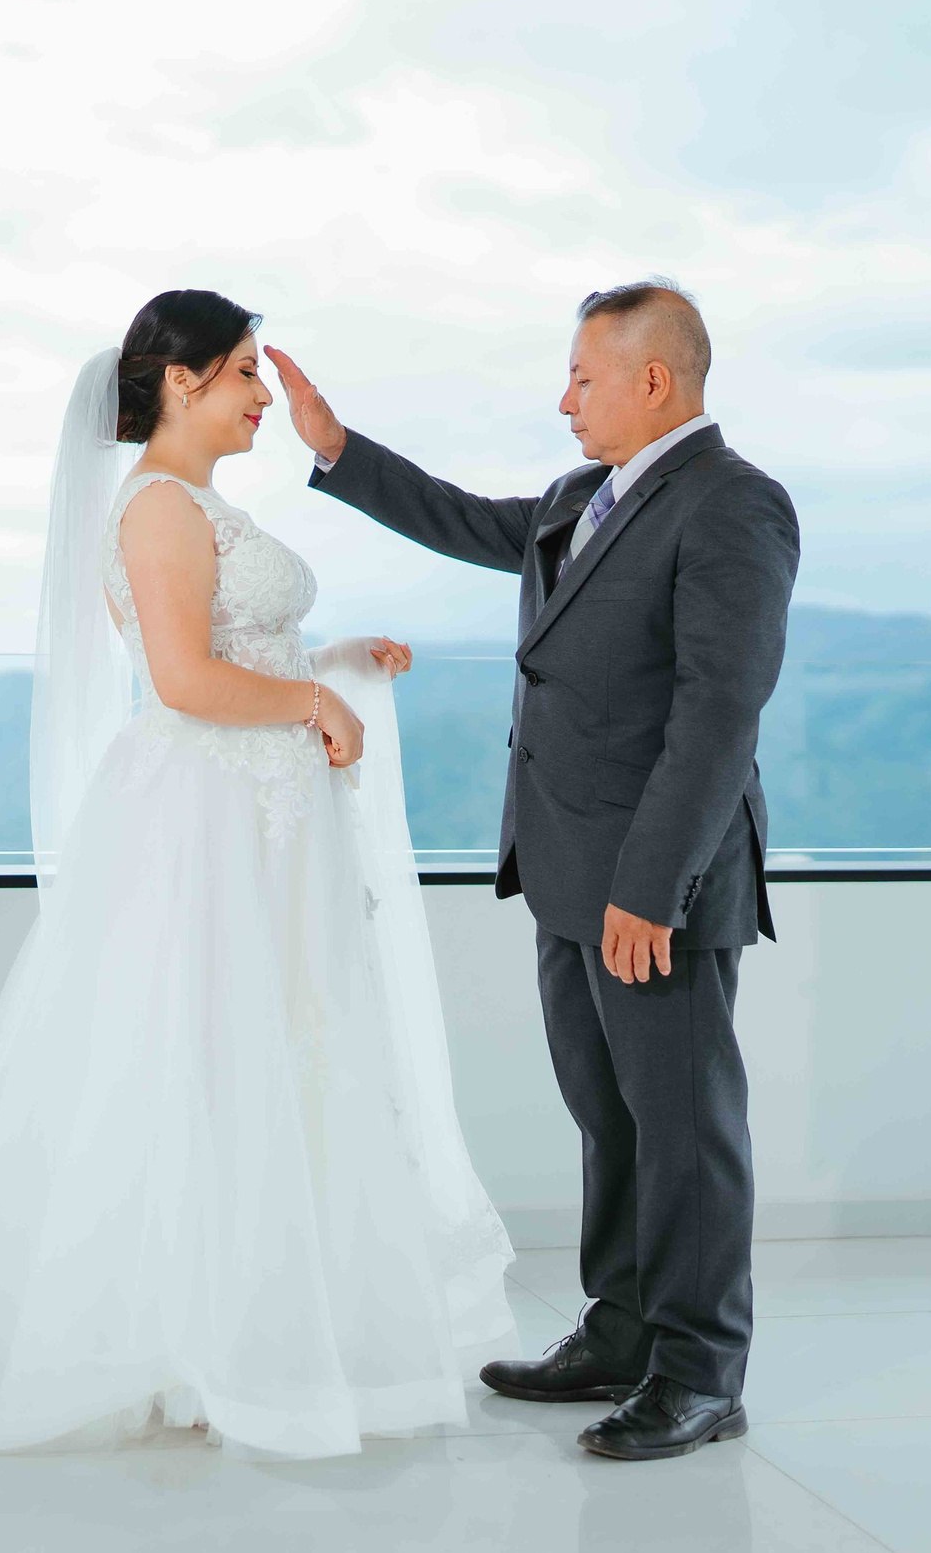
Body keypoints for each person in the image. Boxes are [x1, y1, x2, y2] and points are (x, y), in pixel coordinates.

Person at [0, 290, 514, 1459]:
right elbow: (179, 677)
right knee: (208, 1051)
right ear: (181, 380)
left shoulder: (197, 504)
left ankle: (265, 1323)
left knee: (273, 1048)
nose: (261, 395)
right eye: (244, 372)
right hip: (211, 811)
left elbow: (235, 650)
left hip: (259, 805)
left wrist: (334, 661)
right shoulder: (160, 506)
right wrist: (313, 699)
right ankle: (195, 1337)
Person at [270, 278, 798, 1462]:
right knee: (608, 1115)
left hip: (656, 884)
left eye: (581, 377)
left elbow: (718, 712)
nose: (564, 401)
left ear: (651, 380)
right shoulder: (579, 497)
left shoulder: (733, 504)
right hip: (564, 864)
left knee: (684, 1129)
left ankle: (700, 1371)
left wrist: (650, 887)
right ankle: (621, 1329)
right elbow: (465, 520)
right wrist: (337, 448)